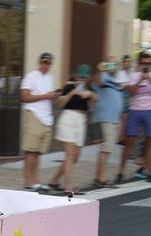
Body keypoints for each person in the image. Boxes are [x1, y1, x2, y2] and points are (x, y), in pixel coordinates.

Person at [47, 64, 97, 196]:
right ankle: (69, 186)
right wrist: (72, 93)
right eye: (80, 76)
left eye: (85, 77)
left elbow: (94, 104)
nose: (82, 79)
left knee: (75, 157)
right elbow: (59, 104)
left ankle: (54, 180)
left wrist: (90, 95)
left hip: (81, 121)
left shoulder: (89, 89)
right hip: (68, 119)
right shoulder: (69, 86)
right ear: (76, 76)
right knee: (69, 156)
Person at [118, 52, 151, 183]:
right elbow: (131, 93)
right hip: (135, 109)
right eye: (144, 63)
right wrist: (140, 79)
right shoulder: (134, 75)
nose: (146, 66)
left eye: (148, 63)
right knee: (129, 142)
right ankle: (121, 171)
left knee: (150, 141)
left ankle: (148, 170)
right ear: (139, 64)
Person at [20, 52, 60, 190]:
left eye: (48, 63)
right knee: (31, 151)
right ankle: (28, 181)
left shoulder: (50, 78)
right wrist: (46, 96)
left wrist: (53, 96)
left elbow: (48, 97)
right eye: (43, 62)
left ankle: (35, 179)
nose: (45, 65)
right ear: (39, 63)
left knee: (38, 152)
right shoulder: (31, 76)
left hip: (46, 117)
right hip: (34, 114)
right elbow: (24, 97)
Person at [91, 59, 123, 188]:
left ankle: (100, 177)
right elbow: (97, 81)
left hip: (114, 119)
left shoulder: (115, 80)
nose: (113, 67)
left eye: (115, 64)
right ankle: (100, 179)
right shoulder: (103, 76)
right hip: (105, 118)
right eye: (110, 64)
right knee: (105, 150)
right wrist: (101, 70)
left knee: (108, 150)